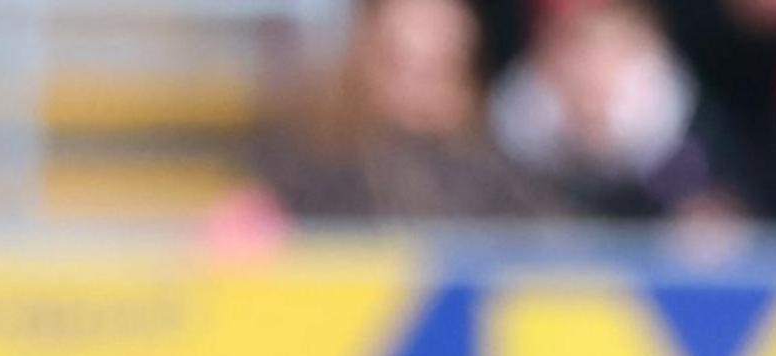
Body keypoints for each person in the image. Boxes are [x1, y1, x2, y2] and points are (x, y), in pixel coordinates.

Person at [249, 0, 570, 221]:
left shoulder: (496, 173)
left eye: (438, 69)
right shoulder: (311, 162)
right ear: (365, 62)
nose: (418, 87)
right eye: (402, 65)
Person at [489, 0, 732, 218]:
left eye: (609, 53)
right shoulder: (510, 132)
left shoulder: (691, 131)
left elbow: (698, 203)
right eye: (577, 52)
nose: (592, 72)